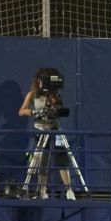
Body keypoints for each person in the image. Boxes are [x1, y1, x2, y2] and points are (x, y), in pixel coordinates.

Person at [18, 69, 75, 200]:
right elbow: (21, 111)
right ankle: (42, 191)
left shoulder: (55, 95)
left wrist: (52, 101)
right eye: (42, 79)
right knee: (40, 161)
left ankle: (69, 191)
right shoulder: (32, 94)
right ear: (38, 80)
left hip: (55, 129)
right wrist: (32, 112)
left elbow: (57, 110)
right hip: (39, 130)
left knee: (62, 160)